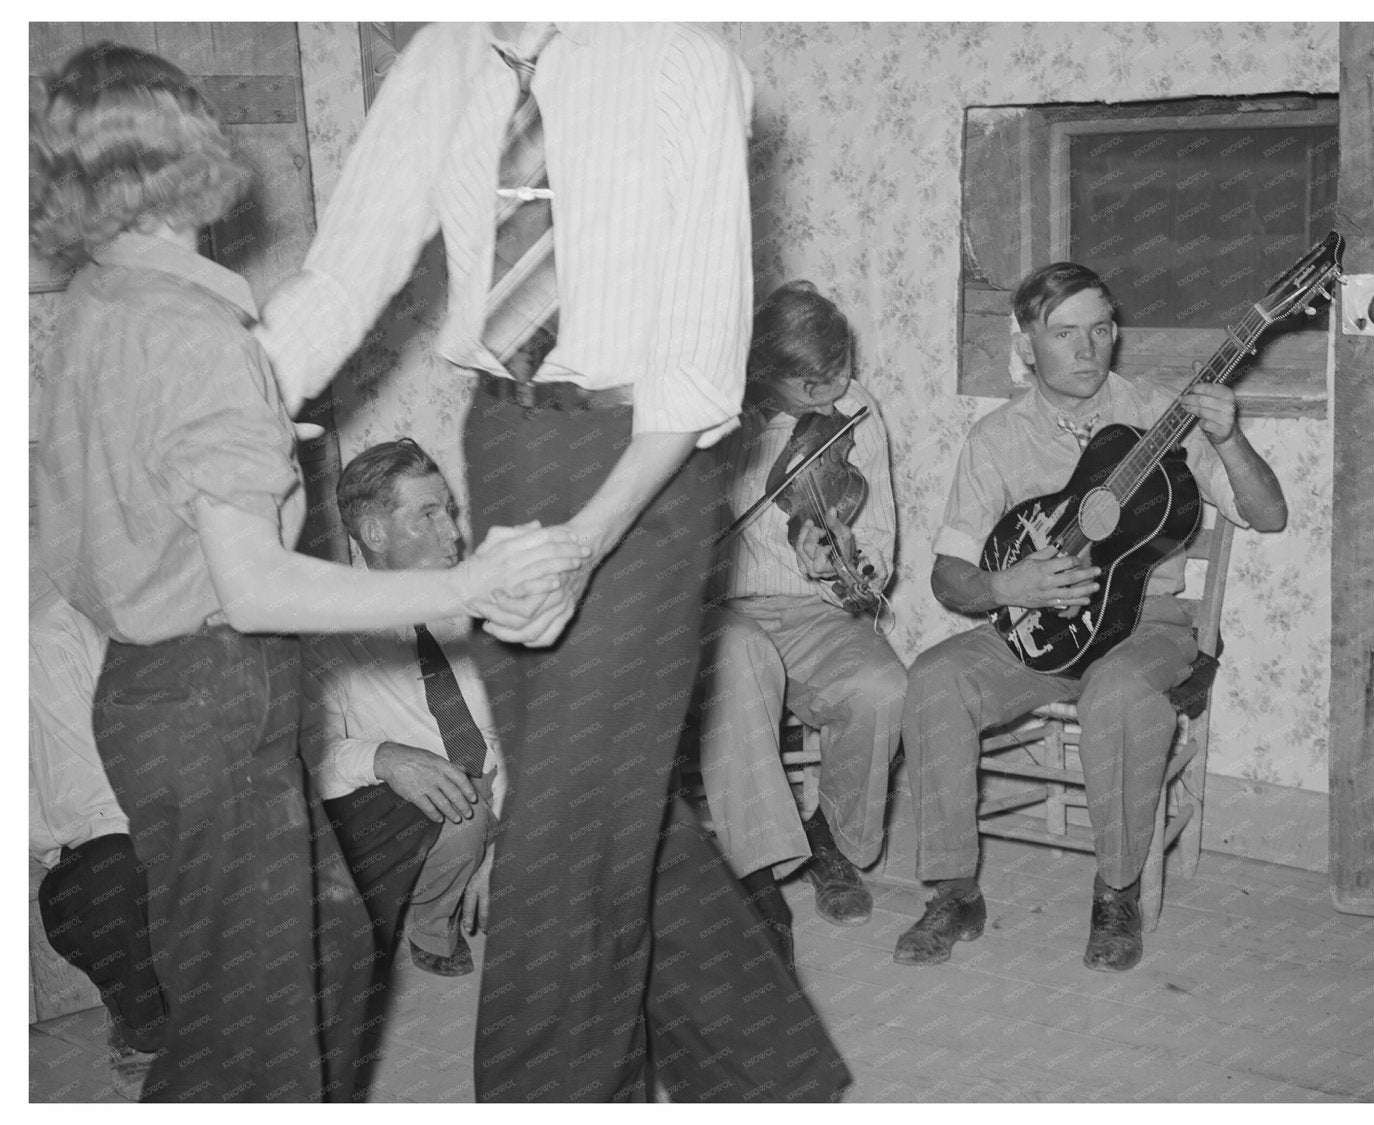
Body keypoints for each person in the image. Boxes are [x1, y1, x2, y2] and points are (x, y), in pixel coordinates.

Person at [256, 22, 851, 1103]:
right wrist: (228, 410)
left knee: (564, 840)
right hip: (508, 438)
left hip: (649, 458)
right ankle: (774, 1073)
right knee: (607, 803)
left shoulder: (680, 58)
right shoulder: (441, 60)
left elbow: (701, 357)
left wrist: (585, 544)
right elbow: (346, 272)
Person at [29, 42, 589, 1102]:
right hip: (210, 687)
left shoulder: (103, 306)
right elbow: (256, 587)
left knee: (322, 946)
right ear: (191, 151)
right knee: (261, 1018)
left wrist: (236, 448)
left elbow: (110, 512)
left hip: (145, 693)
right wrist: (467, 586)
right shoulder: (196, 329)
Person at [897, 261, 1287, 972]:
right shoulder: (996, 439)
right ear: (1026, 345)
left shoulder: (1160, 412)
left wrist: (1230, 437)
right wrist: (1006, 583)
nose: (1087, 349)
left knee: (1121, 695)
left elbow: (1268, 514)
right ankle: (954, 890)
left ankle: (1116, 891)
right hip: (1037, 630)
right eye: (1064, 332)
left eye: (1101, 329)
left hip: (1147, 626)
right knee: (933, 679)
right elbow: (948, 575)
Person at [698, 281, 904, 964]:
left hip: (818, 610)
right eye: (816, 382)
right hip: (729, 610)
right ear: (767, 375)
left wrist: (842, 563)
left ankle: (832, 842)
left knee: (883, 687)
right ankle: (759, 874)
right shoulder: (716, 418)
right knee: (741, 663)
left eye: (842, 366)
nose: (839, 386)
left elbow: (878, 553)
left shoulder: (856, 413)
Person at [302, 439, 502, 981]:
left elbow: (524, 726)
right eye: (428, 516)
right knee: (463, 816)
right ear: (374, 534)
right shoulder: (329, 629)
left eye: (450, 513)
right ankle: (429, 919)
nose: (454, 534)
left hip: (505, 780)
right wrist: (384, 756)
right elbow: (309, 758)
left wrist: (514, 838)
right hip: (427, 807)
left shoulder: (480, 600)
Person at [30, 577, 166, 1098]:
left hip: (184, 814)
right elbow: (79, 808)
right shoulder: (48, 630)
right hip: (101, 841)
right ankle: (144, 1031)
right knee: (110, 874)